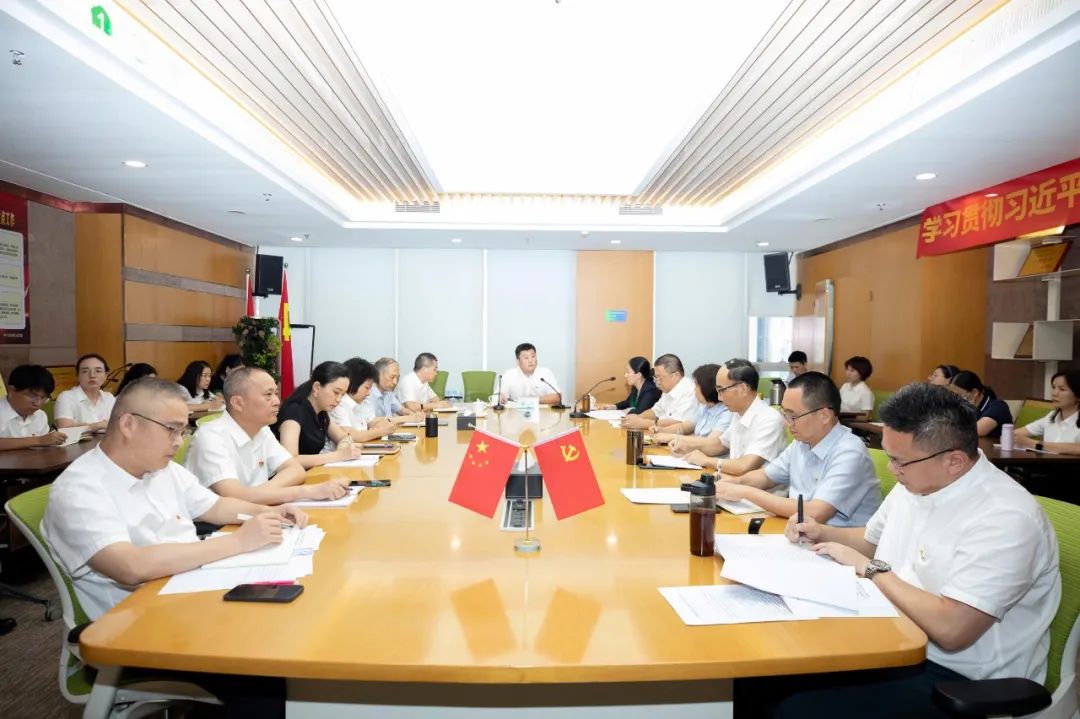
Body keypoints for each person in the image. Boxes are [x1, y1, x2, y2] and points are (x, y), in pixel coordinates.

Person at [748, 383, 1060, 718]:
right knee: (759, 678)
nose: (891, 470)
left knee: (796, 709)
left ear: (954, 461)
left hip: (959, 677)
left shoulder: (1005, 517)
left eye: (899, 461)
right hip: (892, 636)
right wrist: (822, 532)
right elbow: (871, 541)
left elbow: (952, 630)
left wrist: (872, 570)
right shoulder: (917, 482)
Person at [41, 377, 305, 717]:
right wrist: (239, 541)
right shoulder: (80, 488)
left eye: (182, 431)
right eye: (172, 430)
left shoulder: (161, 469)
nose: (179, 441)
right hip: (140, 625)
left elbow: (215, 507)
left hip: (191, 598)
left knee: (289, 636)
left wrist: (267, 512)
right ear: (128, 424)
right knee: (273, 684)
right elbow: (130, 566)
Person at [713, 371, 880, 526]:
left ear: (824, 415)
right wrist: (735, 483)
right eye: (785, 414)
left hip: (836, 544)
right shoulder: (802, 442)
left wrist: (745, 492)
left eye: (793, 416)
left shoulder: (849, 453)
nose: (787, 423)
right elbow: (767, 476)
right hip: (799, 534)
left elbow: (816, 513)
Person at [185, 367, 349, 504]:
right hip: (219, 525)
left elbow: (296, 470)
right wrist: (308, 491)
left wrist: (258, 494)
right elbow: (233, 497)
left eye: (276, 393)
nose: (277, 401)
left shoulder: (262, 430)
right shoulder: (211, 437)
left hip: (257, 511)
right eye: (268, 395)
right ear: (238, 403)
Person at [675, 359, 787, 475]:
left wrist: (706, 460)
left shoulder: (769, 419)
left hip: (754, 485)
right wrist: (689, 447)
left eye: (721, 390)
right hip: (734, 481)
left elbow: (745, 466)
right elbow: (720, 445)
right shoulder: (738, 414)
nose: (719, 398)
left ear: (743, 389)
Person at [275, 361, 364, 469]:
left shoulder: (321, 412)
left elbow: (344, 437)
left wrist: (343, 448)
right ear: (317, 387)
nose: (339, 399)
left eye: (343, 394)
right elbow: (289, 460)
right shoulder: (294, 411)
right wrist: (338, 455)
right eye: (336, 392)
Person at [650, 364, 731, 450]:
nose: (694, 389)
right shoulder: (704, 407)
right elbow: (685, 427)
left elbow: (711, 443)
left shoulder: (726, 412)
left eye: (696, 386)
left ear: (707, 387)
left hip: (708, 456)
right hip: (694, 453)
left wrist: (672, 437)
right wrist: (662, 430)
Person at [621, 354, 700, 429]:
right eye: (656, 378)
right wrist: (637, 418)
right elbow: (655, 411)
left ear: (675, 376)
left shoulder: (689, 391)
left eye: (660, 378)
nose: (657, 383)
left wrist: (642, 423)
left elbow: (679, 423)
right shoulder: (667, 389)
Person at [332, 357, 401, 443]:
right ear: (353, 383)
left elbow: (374, 421)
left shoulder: (361, 402)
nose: (369, 393)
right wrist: (380, 431)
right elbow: (351, 436)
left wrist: (380, 427)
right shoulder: (339, 404)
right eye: (367, 387)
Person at [1014, 370, 1080, 454]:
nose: (1054, 393)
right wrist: (1010, 436)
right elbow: (1014, 434)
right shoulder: (1052, 416)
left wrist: (1034, 443)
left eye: (1062, 389)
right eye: (1053, 387)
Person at [0, 365, 65, 450]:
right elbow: (41, 441)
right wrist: (38, 440)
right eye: (32, 396)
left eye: (43, 397)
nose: (38, 403)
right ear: (11, 390)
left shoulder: (40, 415)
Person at [54, 353, 116, 432]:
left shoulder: (109, 398)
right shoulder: (66, 397)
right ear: (77, 375)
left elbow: (118, 425)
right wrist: (99, 425)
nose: (92, 375)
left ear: (105, 375)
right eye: (85, 371)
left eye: (98, 371)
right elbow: (64, 428)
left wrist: (80, 426)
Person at [948, 370, 1012, 439]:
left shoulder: (998, 407)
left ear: (974, 392)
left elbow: (977, 431)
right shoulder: (966, 408)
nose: (954, 398)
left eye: (958, 395)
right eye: (952, 394)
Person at [362, 358, 422, 422]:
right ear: (377, 375)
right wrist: (407, 418)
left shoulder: (388, 392)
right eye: (392, 377)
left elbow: (401, 410)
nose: (395, 382)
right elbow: (372, 421)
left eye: (397, 378)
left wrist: (413, 414)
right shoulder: (367, 394)